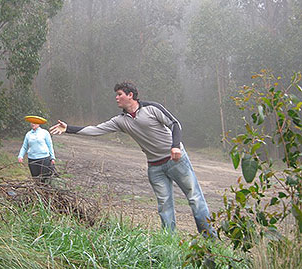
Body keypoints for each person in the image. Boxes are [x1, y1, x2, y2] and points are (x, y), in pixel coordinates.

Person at [50, 82, 215, 236]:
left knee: (194, 197)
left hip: (176, 160)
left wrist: (176, 145)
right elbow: (96, 129)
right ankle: (169, 241)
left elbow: (175, 124)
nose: (116, 97)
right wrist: (68, 128)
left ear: (130, 95)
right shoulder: (120, 121)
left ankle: (210, 239)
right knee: (164, 206)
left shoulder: (152, 108)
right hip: (155, 167)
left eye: (119, 94)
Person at [18, 116, 56, 183]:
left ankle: (46, 191)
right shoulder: (28, 134)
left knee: (45, 178)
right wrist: (20, 156)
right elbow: (24, 147)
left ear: (39, 124)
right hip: (32, 159)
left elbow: (50, 145)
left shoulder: (45, 133)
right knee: (36, 178)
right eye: (32, 123)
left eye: (35, 123)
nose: (33, 124)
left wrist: (52, 157)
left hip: (44, 158)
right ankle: (38, 191)